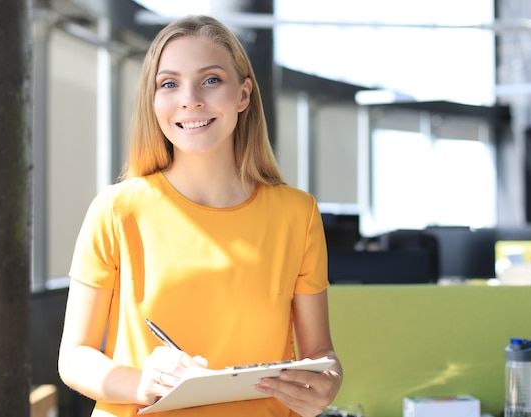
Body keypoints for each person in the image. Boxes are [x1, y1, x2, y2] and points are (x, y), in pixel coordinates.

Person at [58, 14, 343, 417]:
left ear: (243, 95)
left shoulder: (298, 214)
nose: (189, 99)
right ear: (153, 100)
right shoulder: (117, 210)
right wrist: (143, 381)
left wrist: (326, 385)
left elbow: (321, 354)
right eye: (169, 83)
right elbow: (73, 358)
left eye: (211, 80)